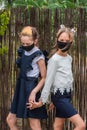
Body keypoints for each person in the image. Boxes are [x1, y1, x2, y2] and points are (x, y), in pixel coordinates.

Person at [28, 26, 86, 130]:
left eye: (66, 41)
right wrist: (42, 101)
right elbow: (48, 81)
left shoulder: (69, 58)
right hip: (60, 97)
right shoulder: (54, 60)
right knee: (81, 125)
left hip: (67, 96)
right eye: (61, 40)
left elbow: (66, 78)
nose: (64, 42)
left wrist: (54, 101)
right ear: (57, 40)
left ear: (71, 42)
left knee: (58, 126)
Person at [6, 26, 47, 130]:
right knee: (10, 120)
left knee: (34, 124)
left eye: (28, 44)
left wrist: (34, 92)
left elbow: (44, 77)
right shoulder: (23, 51)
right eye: (23, 43)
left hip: (31, 88)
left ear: (35, 40)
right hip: (21, 87)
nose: (25, 46)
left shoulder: (39, 56)